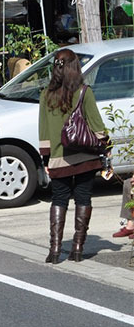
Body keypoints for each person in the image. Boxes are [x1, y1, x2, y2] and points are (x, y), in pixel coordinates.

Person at [39, 49, 108, 263]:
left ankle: (55, 250)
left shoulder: (45, 94)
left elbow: (44, 132)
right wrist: (106, 148)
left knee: (59, 199)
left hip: (59, 158)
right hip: (85, 157)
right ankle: (77, 249)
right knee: (83, 198)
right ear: (74, 67)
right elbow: (97, 127)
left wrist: (46, 160)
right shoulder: (84, 92)